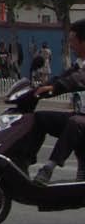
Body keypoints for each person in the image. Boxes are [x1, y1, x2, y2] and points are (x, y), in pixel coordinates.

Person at [31, 21, 85, 184]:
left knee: (74, 123)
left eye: (72, 40)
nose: (70, 45)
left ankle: (48, 168)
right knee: (40, 118)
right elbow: (63, 77)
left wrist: (56, 87)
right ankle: (23, 161)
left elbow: (77, 80)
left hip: (81, 120)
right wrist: (37, 89)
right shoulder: (79, 64)